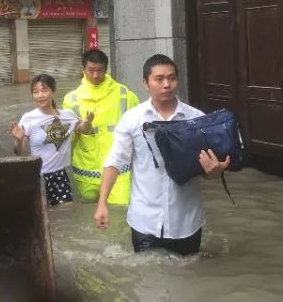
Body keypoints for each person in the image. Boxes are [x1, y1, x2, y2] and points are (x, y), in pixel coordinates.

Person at [93, 54, 230, 255]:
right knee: (148, 281)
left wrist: (215, 172)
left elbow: (206, 171)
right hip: (144, 220)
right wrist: (102, 203)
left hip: (186, 222)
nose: (167, 84)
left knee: (189, 277)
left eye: (172, 78)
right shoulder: (132, 120)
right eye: (159, 79)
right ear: (145, 83)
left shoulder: (197, 120)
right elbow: (115, 161)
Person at [62, 49, 139, 205]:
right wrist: (82, 129)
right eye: (91, 70)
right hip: (87, 169)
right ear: (83, 69)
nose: (96, 75)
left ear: (106, 69)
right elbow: (65, 136)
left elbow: (138, 127)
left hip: (118, 168)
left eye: (100, 70)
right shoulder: (71, 99)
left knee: (120, 212)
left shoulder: (124, 94)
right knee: (89, 214)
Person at [10, 74, 94, 206]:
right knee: (41, 218)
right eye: (35, 92)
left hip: (60, 176)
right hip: (37, 177)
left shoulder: (68, 116)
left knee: (64, 218)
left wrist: (88, 123)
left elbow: (85, 131)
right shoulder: (28, 118)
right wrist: (19, 139)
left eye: (44, 90)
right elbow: (18, 153)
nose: (40, 95)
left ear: (53, 91)